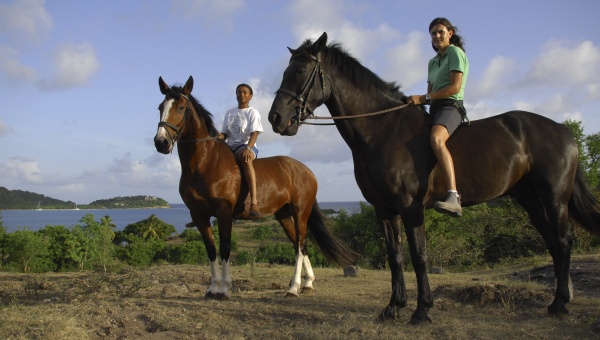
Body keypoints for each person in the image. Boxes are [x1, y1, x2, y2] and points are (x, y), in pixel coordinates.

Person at [406, 17, 469, 217]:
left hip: (451, 106)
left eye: (441, 31)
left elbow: (454, 87)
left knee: (436, 139)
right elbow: (429, 95)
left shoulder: (455, 53)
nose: (437, 36)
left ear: (450, 33)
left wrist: (424, 97)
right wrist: (411, 101)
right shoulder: (432, 62)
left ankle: (453, 196)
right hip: (435, 108)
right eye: (433, 33)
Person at [219, 83, 264, 217]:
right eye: (239, 92)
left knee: (245, 160)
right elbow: (224, 134)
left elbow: (255, 133)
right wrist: (217, 136)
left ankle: (254, 203)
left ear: (250, 96)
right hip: (229, 147)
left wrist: (248, 148)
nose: (242, 94)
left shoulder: (252, 112)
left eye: (245, 92)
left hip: (245, 146)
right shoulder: (229, 112)